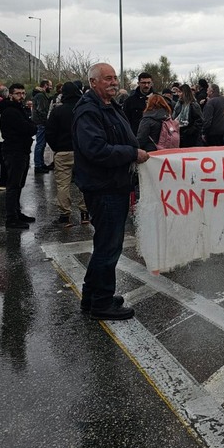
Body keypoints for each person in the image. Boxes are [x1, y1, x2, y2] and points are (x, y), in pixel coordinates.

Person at [73, 62, 150, 321]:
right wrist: (132, 153)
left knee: (105, 245)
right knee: (108, 247)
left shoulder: (109, 105)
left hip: (114, 184)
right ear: (93, 82)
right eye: (107, 79)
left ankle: (92, 296)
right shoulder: (88, 110)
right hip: (104, 187)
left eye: (115, 78)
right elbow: (95, 149)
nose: (113, 82)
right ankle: (102, 303)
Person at [45, 81, 88, 227]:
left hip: (63, 151)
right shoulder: (84, 109)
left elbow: (49, 132)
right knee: (85, 183)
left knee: (62, 184)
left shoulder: (58, 111)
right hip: (82, 151)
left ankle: (65, 216)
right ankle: (85, 213)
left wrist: (56, 147)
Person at [0, 83, 37, 230]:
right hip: (14, 151)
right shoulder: (10, 111)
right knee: (13, 185)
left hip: (21, 150)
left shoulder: (18, 109)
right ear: (10, 95)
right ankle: (11, 218)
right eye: (17, 93)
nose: (21, 96)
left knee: (19, 184)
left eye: (22, 93)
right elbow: (28, 127)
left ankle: (16, 212)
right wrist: (31, 127)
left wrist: (31, 126)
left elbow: (30, 125)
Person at [31, 79, 53, 173]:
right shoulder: (40, 96)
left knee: (41, 144)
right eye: (50, 85)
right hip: (41, 123)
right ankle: (38, 165)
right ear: (45, 85)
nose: (51, 88)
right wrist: (46, 121)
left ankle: (40, 163)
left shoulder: (40, 95)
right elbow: (42, 110)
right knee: (40, 144)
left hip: (40, 122)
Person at [174, 84, 203, 148]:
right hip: (180, 134)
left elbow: (199, 121)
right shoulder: (178, 105)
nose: (178, 94)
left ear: (185, 93)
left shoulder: (194, 105)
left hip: (192, 137)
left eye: (180, 92)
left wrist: (190, 131)